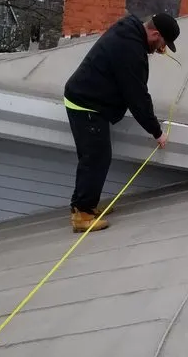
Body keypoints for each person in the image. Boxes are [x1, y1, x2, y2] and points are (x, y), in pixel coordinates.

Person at [64, 12, 180, 233]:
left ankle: (84, 206)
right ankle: (82, 215)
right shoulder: (131, 50)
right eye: (162, 43)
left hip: (86, 99)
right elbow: (137, 96)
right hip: (87, 104)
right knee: (96, 158)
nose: (161, 49)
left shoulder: (129, 30)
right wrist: (157, 132)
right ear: (155, 33)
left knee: (93, 157)